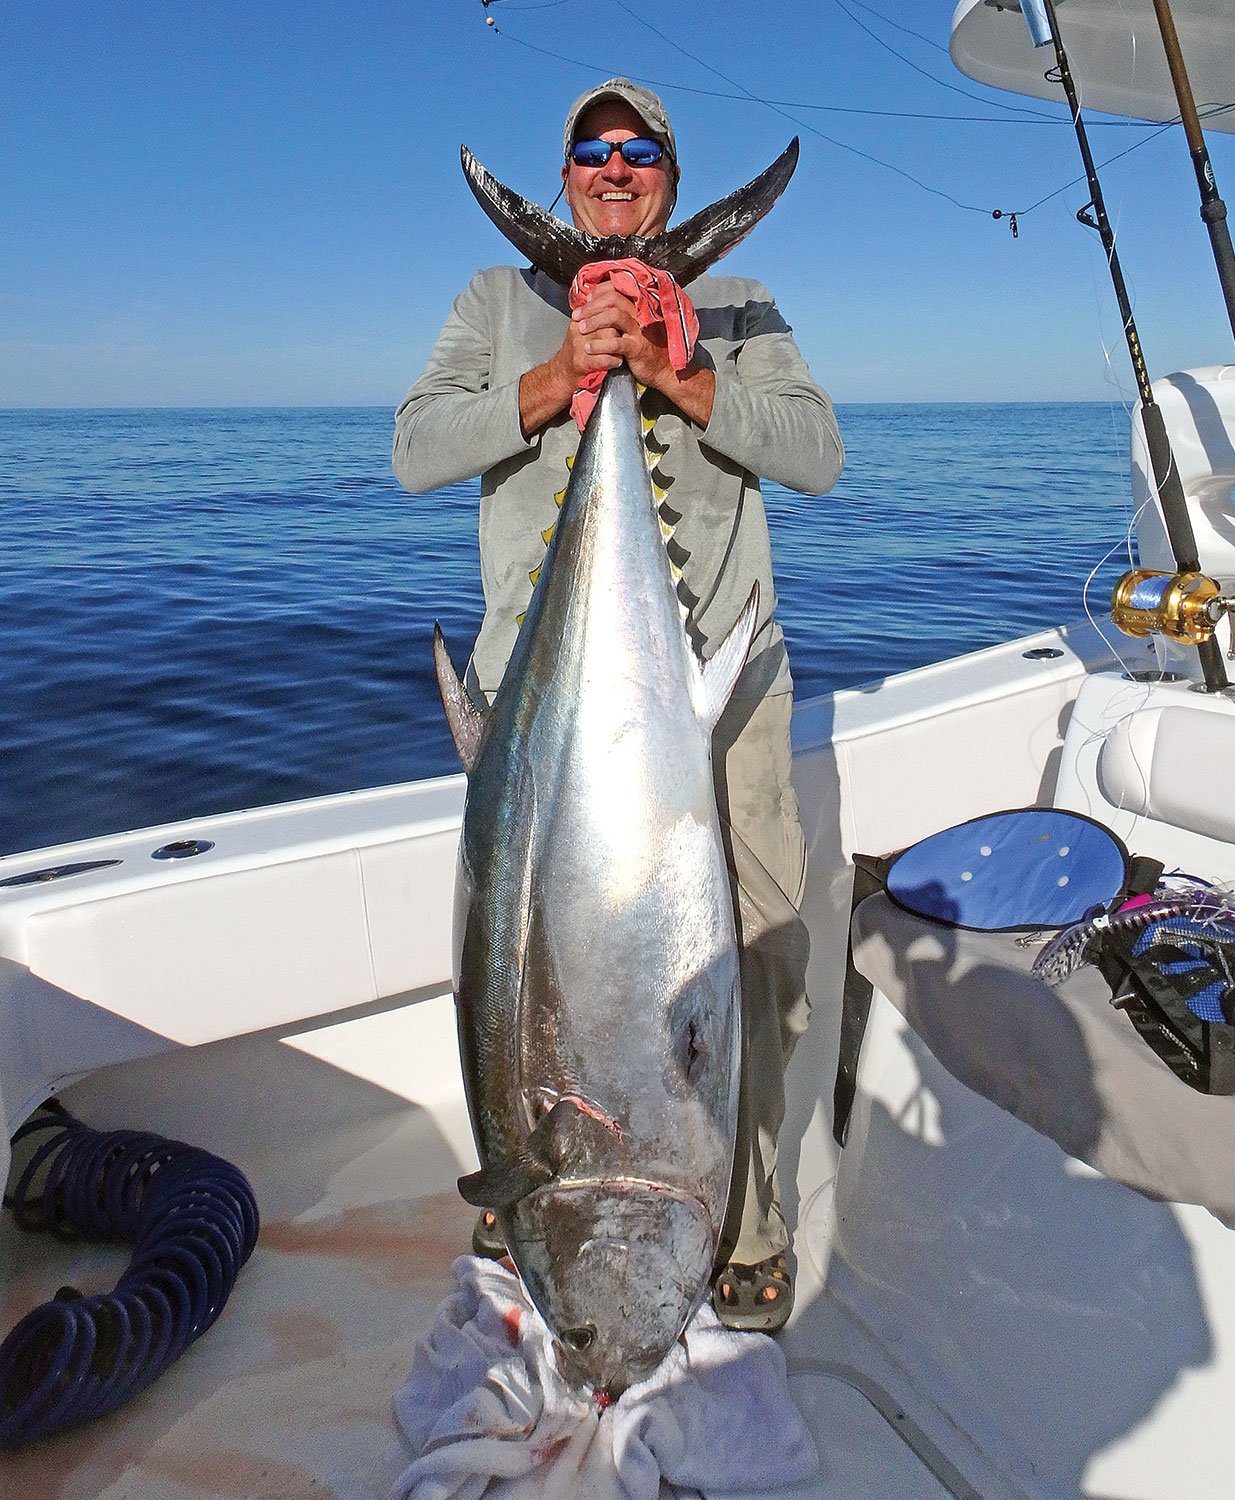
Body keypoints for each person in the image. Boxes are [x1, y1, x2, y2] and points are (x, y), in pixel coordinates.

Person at [393, 78, 843, 1331]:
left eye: (636, 150)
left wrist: (675, 373)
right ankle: (532, 1177)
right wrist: (556, 378)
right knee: (516, 960)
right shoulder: (498, 301)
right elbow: (413, 449)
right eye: (588, 151)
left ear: (669, 176)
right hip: (539, 703)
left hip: (721, 682)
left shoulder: (740, 304)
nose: (610, 167)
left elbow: (816, 457)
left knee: (754, 954)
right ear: (565, 173)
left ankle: (742, 1222)